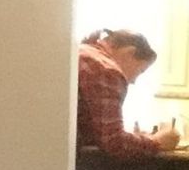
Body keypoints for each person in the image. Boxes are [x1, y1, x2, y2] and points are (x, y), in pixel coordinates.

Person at [76, 30, 180, 158]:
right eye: (140, 70)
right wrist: (158, 141)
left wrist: (140, 138)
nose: (133, 81)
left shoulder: (82, 51)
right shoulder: (107, 70)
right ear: (129, 52)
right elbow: (114, 142)